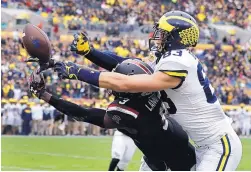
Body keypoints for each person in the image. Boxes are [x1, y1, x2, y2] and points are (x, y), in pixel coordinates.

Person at [54, 11, 242, 170]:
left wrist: (78, 72)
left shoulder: (179, 60)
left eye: (162, 32)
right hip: (200, 146)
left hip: (218, 144)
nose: (155, 36)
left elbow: (125, 83)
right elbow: (126, 65)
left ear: (174, 36)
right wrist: (89, 53)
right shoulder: (169, 59)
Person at [29, 60, 195, 171]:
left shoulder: (126, 112)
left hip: (169, 159)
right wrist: (59, 63)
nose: (113, 83)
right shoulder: (152, 88)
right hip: (176, 144)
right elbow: (120, 69)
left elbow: (84, 114)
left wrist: (44, 95)